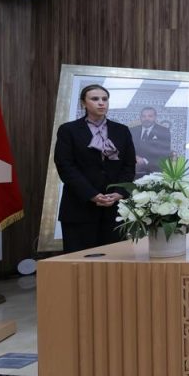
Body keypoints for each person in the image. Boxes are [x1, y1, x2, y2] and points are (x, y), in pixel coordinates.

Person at [54, 84, 136, 252]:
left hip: (115, 207)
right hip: (79, 205)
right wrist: (91, 194)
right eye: (95, 99)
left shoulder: (122, 130)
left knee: (115, 258)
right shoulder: (68, 130)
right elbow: (65, 166)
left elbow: (129, 165)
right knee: (80, 259)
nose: (101, 103)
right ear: (83, 103)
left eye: (105, 99)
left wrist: (120, 192)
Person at [130, 106, 172, 175]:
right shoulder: (132, 130)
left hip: (154, 169)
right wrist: (134, 157)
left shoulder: (164, 131)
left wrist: (144, 161)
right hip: (133, 168)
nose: (146, 119)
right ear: (140, 117)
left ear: (155, 117)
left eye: (150, 116)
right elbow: (127, 148)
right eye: (144, 116)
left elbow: (164, 153)